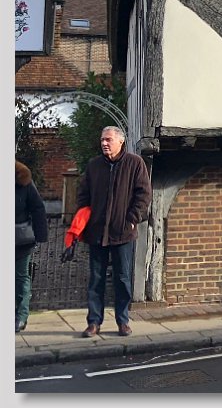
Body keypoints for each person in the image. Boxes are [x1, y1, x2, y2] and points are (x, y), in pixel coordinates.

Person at [76, 126, 152, 338]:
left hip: (122, 232)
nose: (104, 143)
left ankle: (123, 321)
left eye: (108, 139)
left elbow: (144, 194)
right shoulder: (94, 166)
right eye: (102, 139)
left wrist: (132, 219)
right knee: (96, 279)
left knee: (122, 278)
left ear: (120, 141)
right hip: (96, 232)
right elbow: (83, 194)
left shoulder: (135, 163)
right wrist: (84, 218)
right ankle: (94, 322)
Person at [15, 160, 49, 332]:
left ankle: (21, 315)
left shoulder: (22, 178)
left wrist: (40, 235)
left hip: (19, 239)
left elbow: (37, 208)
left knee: (21, 277)